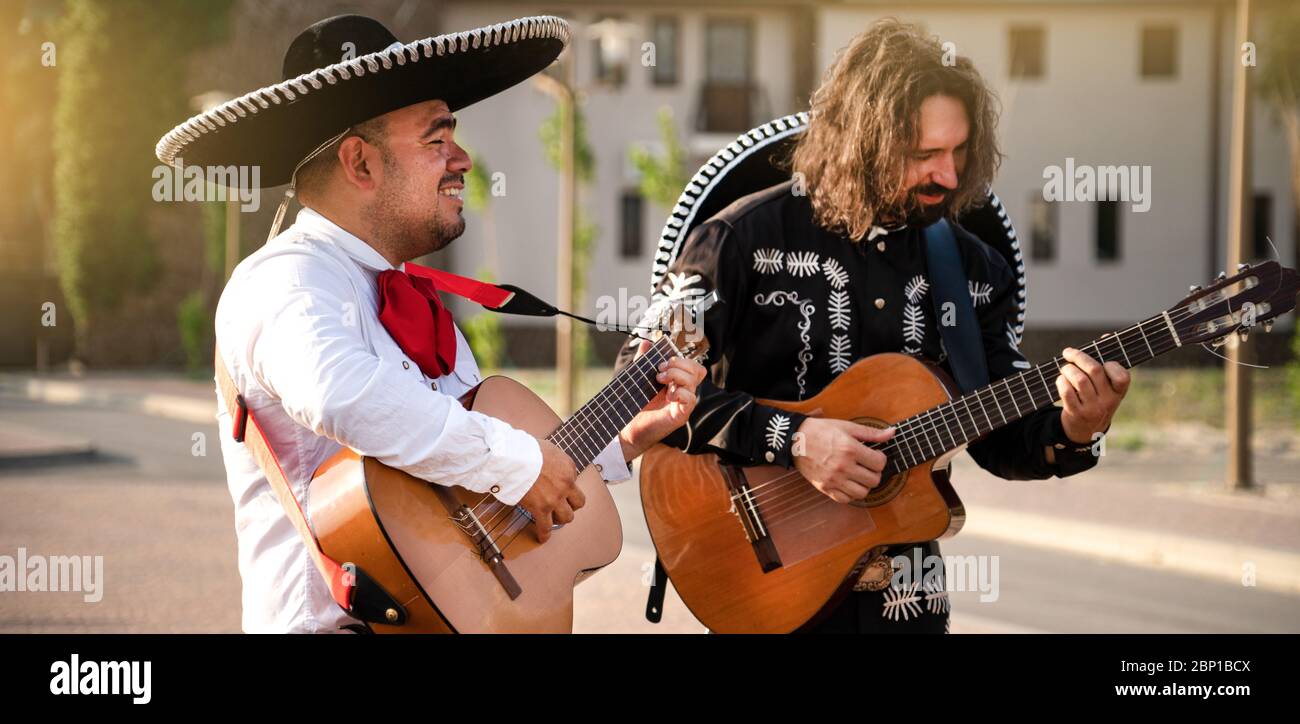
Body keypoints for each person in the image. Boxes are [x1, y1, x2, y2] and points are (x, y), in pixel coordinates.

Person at [156, 14, 705, 633]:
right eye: (436, 139)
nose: (463, 159)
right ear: (360, 164)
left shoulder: (414, 299)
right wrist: (519, 464)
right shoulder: (286, 279)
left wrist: (622, 437)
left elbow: (474, 499)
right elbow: (342, 393)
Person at [618, 19, 1129, 633]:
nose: (947, 174)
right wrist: (797, 440)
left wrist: (1077, 425)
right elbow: (642, 385)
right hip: (767, 588)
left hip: (908, 604)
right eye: (924, 155)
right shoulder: (742, 239)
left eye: (958, 151)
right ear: (864, 141)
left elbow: (1000, 435)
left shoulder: (971, 270)